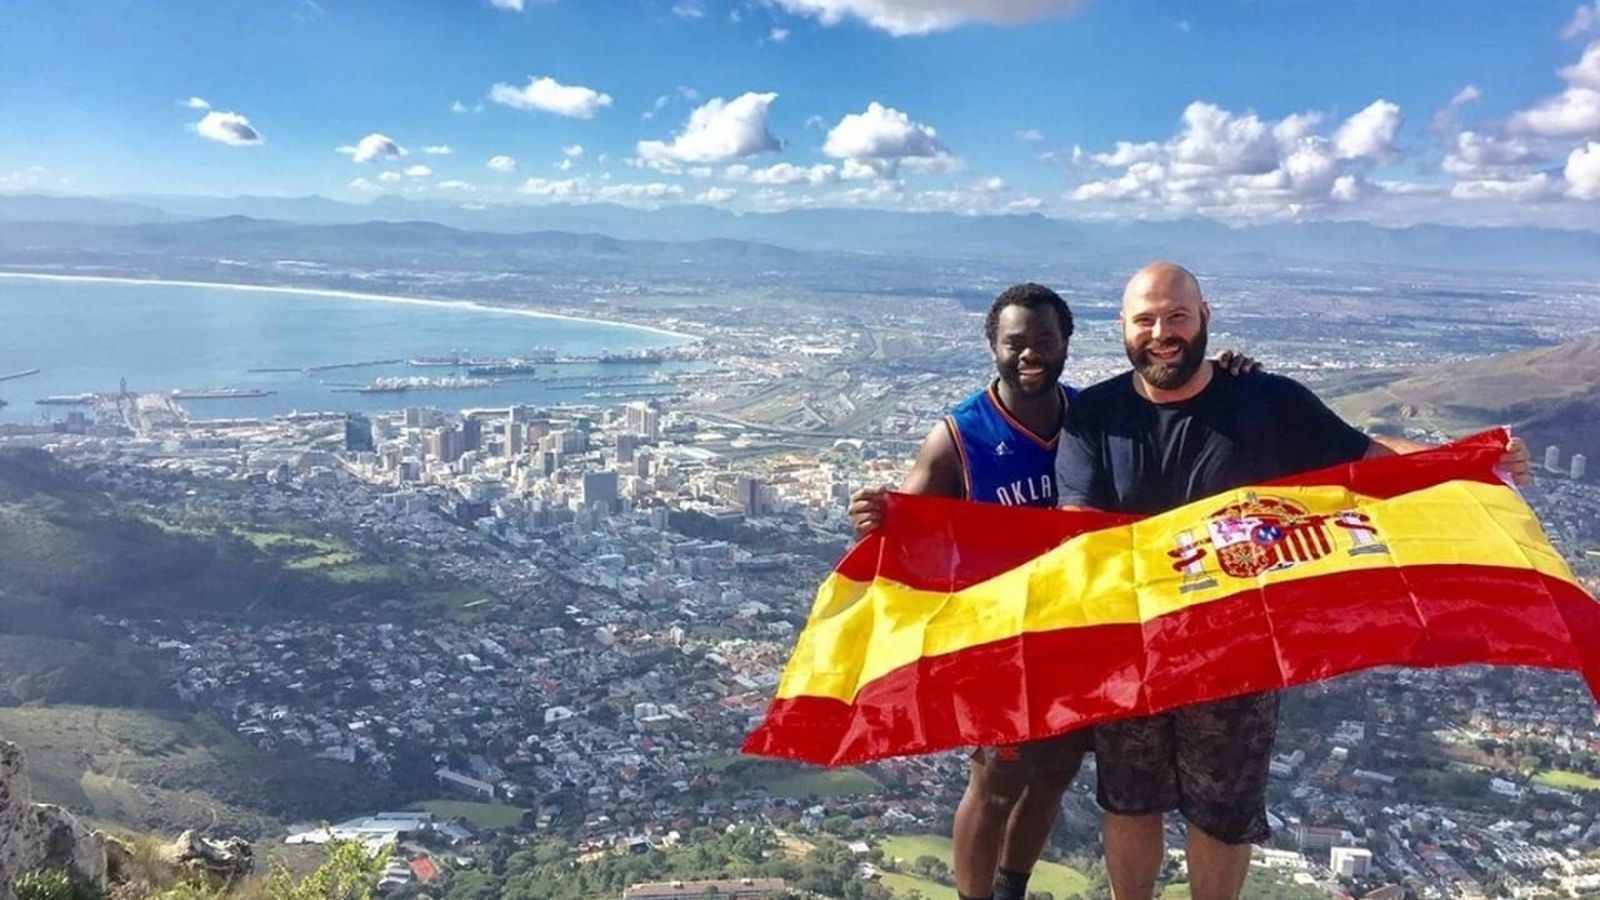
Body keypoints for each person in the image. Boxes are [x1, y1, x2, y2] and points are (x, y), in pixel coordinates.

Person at [1053, 261, 1531, 900]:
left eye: (1177, 316)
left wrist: (1468, 459)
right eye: (1145, 319)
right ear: (1123, 327)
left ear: (1205, 320)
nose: (1161, 332)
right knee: (1129, 799)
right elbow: (1075, 525)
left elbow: (1368, 462)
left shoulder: (1267, 401)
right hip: (1131, 646)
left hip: (1238, 650)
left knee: (1222, 813)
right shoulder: (1096, 416)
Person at [848, 282, 1259, 900]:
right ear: (994, 346)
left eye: (1045, 340)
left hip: (1076, 634)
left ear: (1067, 343)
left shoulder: (1092, 415)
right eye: (1016, 343)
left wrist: (1226, 373)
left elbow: (1176, 399)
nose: (1031, 354)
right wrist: (877, 514)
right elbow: (908, 520)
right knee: (996, 784)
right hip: (999, 641)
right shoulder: (961, 435)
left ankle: (1012, 885)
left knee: (1056, 774)